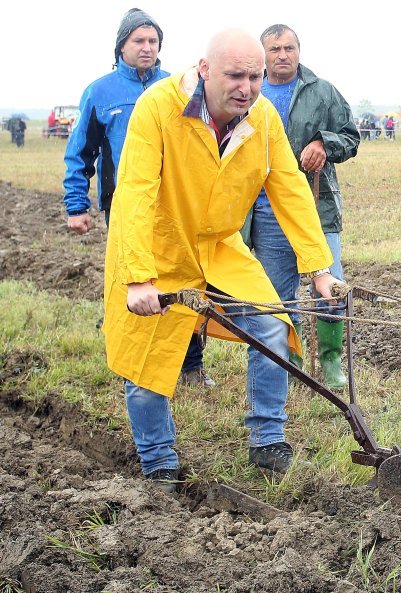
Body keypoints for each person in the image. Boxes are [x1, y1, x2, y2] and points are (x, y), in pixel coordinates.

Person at [104, 29, 344, 491]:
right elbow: (134, 191)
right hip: (158, 249)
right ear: (204, 69)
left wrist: (319, 267)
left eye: (255, 77)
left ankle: (268, 439)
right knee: (148, 357)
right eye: (235, 75)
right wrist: (138, 279)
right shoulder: (158, 108)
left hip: (218, 247)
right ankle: (157, 458)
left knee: (272, 323)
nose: (247, 87)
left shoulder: (262, 116)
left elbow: (289, 187)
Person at [62, 10, 213, 388]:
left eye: (153, 41)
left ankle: (191, 365)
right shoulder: (100, 92)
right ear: (121, 46)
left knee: (186, 282)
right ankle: (134, 362)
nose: (147, 48)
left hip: (178, 206)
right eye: (138, 41)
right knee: (135, 279)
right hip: (126, 205)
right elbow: (80, 152)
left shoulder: (177, 88)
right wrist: (76, 205)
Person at [244, 23, 359, 388]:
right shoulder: (248, 93)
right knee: (277, 294)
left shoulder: (322, 91)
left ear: (299, 51)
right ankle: (289, 359)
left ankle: (330, 362)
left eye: (289, 47)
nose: (283, 55)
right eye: (275, 49)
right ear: (262, 55)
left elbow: (351, 137)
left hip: (317, 205)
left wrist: (325, 144)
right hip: (264, 210)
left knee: (329, 286)